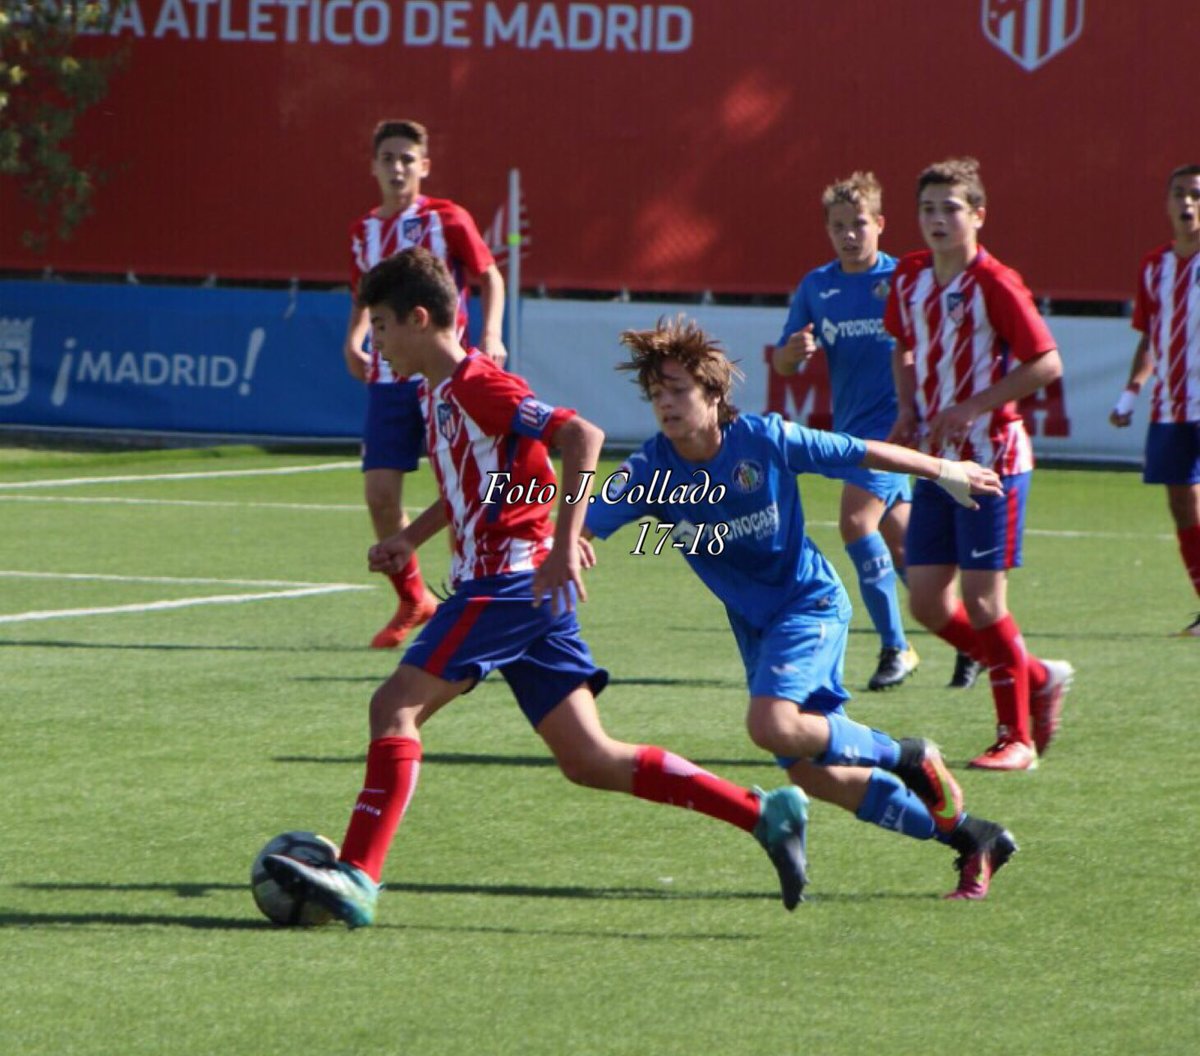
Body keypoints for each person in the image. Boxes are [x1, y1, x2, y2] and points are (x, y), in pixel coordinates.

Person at [265, 248, 812, 928]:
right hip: (518, 587)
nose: (376, 342)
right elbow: (489, 487)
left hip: (508, 584)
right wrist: (414, 538)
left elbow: (582, 435)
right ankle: (763, 814)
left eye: (380, 325)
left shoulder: (475, 383)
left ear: (419, 317)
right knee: (589, 759)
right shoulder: (439, 391)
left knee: (394, 707)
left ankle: (358, 877)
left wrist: (560, 546)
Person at [585, 316, 1018, 901]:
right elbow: (577, 522)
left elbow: (860, 452)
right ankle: (973, 838)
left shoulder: (763, 439)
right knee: (812, 771)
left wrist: (945, 471)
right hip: (758, 628)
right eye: (657, 393)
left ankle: (910, 756)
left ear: (713, 394)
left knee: (770, 725)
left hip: (808, 604)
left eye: (679, 390)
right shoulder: (650, 471)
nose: (666, 403)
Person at [883, 157, 1074, 772]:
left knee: (985, 603)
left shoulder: (995, 281)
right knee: (928, 605)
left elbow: (1046, 362)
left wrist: (973, 406)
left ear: (979, 215)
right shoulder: (910, 276)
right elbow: (904, 348)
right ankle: (1035, 675)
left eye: (951, 209)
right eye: (928, 209)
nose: (937, 221)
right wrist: (910, 407)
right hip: (936, 463)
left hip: (992, 461)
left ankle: (1015, 736)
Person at [774, 171, 982, 691]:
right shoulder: (816, 286)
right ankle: (974, 643)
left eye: (859, 224)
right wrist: (792, 354)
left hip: (896, 428)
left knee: (854, 523)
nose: (849, 234)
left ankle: (895, 646)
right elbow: (783, 364)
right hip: (852, 432)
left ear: (880, 224)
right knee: (908, 552)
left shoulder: (904, 279)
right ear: (827, 230)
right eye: (839, 226)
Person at [344, 118, 507, 649]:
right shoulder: (363, 231)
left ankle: (486, 588)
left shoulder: (447, 218)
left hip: (444, 375)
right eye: (388, 158)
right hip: (390, 379)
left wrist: (491, 333)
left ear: (424, 166)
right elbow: (364, 299)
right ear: (372, 166)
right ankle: (413, 598)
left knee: (468, 483)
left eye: (407, 159)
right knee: (379, 492)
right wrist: (354, 340)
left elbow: (489, 276)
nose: (397, 168)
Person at [1109, 163, 1200, 636]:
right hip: (1171, 406)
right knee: (1183, 505)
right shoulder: (1154, 266)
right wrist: (1131, 392)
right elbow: (1150, 338)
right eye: (1179, 194)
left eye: (1196, 195)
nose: (1187, 203)